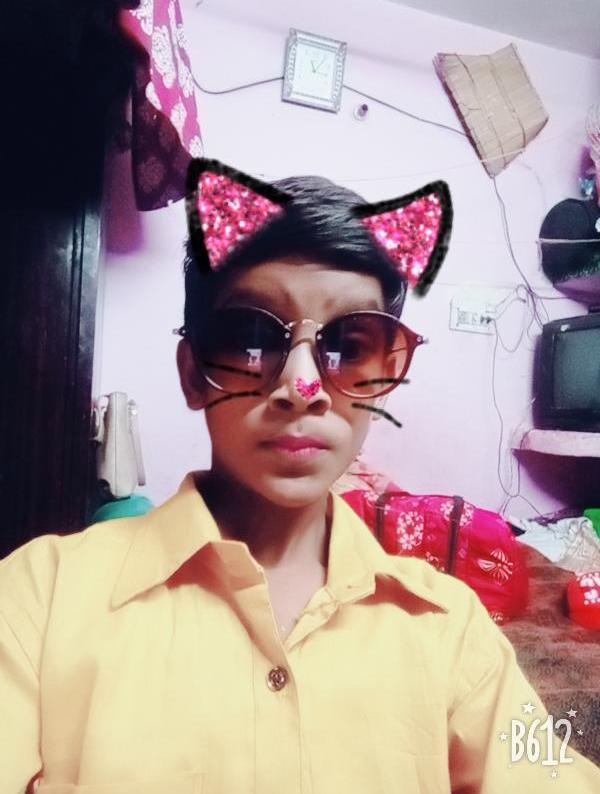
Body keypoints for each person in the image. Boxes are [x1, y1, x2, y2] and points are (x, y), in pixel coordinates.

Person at [1, 158, 599, 793]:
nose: (302, 387)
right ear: (191, 372)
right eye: (251, 338)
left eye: (350, 345)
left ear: (389, 371)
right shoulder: (40, 599)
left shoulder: (451, 632)